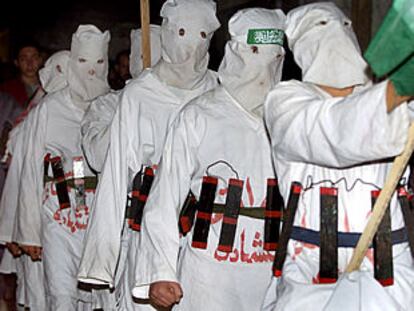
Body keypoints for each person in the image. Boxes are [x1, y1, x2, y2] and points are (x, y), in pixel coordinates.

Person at [130, 8, 286, 310]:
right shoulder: (198, 116)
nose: (263, 67)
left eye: (274, 56)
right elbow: (165, 198)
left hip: (274, 273)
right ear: (235, 52)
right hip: (209, 274)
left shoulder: (291, 117)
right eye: (254, 52)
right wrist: (162, 271)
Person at [263, 3, 414, 310]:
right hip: (310, 274)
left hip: (390, 273)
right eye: (320, 28)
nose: (335, 37)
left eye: (343, 27)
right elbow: (334, 132)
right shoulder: (285, 103)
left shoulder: (397, 101)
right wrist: (397, 88)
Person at [78, 1, 220, 306]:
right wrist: (102, 255)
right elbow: (115, 173)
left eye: (202, 34)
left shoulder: (219, 89)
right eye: (182, 33)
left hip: (204, 236)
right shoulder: (139, 95)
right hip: (145, 235)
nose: (191, 47)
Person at [13, 25, 110, 310]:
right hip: (57, 213)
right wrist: (29, 231)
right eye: (83, 62)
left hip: (98, 215)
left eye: (99, 62)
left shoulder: (114, 105)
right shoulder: (49, 109)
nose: (91, 71)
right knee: (61, 294)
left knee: (98, 298)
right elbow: (30, 170)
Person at [80, 25, 161, 310]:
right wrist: (132, 107)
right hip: (126, 224)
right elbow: (97, 156)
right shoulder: (107, 105)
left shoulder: (190, 105)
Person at [0, 50, 70, 311]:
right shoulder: (33, 118)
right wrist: (14, 229)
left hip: (70, 219)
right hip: (36, 216)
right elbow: (19, 177)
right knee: (39, 290)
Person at [0, 42, 43, 108]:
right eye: (23, 59)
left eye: (34, 58)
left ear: (40, 60)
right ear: (16, 62)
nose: (29, 63)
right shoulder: (6, 89)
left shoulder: (49, 86)